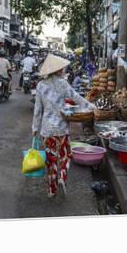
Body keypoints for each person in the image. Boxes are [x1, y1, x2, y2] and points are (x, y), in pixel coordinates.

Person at [32, 54, 95, 197]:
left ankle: (51, 190)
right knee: (65, 155)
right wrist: (91, 106)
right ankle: (62, 175)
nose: (63, 70)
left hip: (47, 130)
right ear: (57, 70)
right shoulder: (63, 83)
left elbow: (38, 110)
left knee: (51, 160)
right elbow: (76, 97)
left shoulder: (41, 85)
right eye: (61, 68)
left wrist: (35, 128)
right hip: (61, 128)